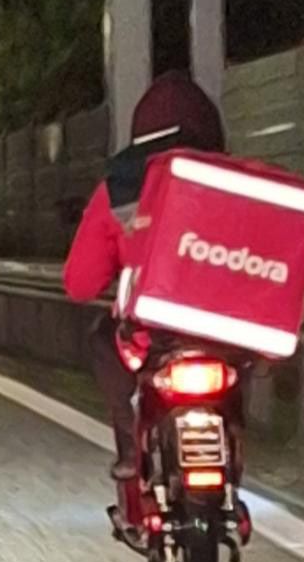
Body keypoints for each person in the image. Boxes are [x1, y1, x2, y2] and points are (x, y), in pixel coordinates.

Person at [61, 71, 227, 526]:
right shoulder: (235, 180)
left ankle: (132, 455)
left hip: (148, 339)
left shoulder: (120, 187)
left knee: (103, 340)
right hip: (222, 336)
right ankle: (231, 450)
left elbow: (79, 283)